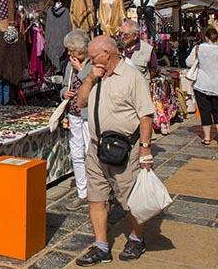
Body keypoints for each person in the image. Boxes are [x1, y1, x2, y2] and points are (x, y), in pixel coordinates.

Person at [75, 36, 155, 265]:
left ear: (107, 54)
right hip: (96, 146)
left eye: (93, 57)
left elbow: (145, 115)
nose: (90, 61)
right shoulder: (95, 75)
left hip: (125, 148)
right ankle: (101, 245)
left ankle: (137, 238)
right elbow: (80, 103)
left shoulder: (132, 77)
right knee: (96, 196)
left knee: (130, 198)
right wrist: (90, 77)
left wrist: (145, 149)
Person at [186, 27, 218, 146]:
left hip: (202, 84)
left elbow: (188, 62)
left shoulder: (199, 48)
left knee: (205, 111)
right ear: (217, 38)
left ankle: (207, 138)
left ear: (206, 37)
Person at [61, 30, 93, 211]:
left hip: (87, 113)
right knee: (76, 153)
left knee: (90, 151)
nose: (69, 54)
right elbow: (65, 85)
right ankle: (82, 192)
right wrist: (64, 93)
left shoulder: (93, 63)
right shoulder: (69, 65)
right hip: (73, 113)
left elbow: (92, 83)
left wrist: (80, 70)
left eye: (71, 50)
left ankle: (95, 190)